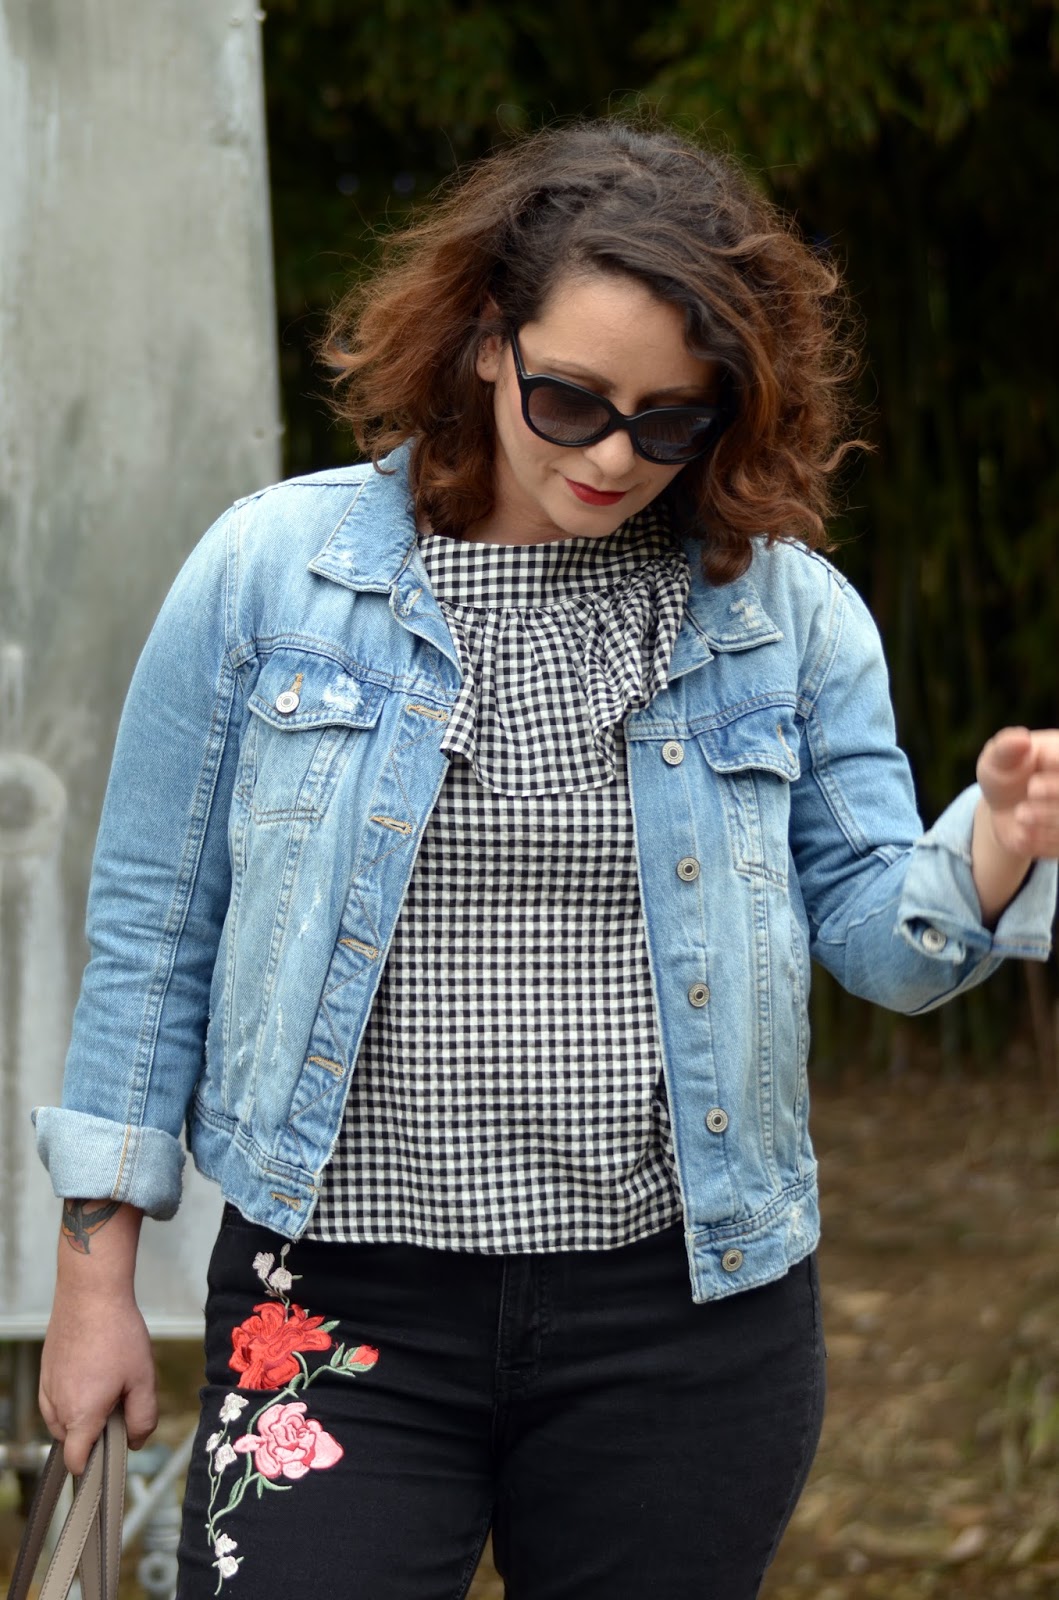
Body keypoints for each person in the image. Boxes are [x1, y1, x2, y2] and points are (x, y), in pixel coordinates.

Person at [34, 119, 1058, 1600]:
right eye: (569, 399)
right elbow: (152, 933)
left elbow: (875, 940)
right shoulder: (271, 574)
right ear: (483, 341)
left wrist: (996, 852)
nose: (612, 456)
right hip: (334, 1301)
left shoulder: (789, 617)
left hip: (685, 1324)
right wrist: (94, 1287)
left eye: (670, 421)